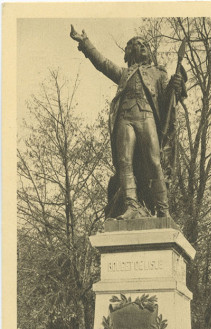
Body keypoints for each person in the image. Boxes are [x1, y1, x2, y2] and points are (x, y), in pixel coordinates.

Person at [70, 26, 185, 220]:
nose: (140, 47)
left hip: (147, 116)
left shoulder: (159, 73)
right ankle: (131, 206)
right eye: (136, 45)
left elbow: (167, 100)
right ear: (129, 52)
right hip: (124, 119)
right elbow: (103, 63)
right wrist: (85, 43)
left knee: (154, 161)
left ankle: (164, 210)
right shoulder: (124, 74)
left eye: (143, 45)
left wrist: (176, 86)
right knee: (125, 162)